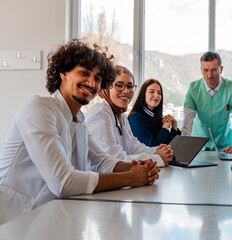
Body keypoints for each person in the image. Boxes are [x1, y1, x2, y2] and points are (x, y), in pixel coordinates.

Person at [0, 40, 160, 224]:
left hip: (49, 217)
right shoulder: (39, 109)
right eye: (84, 73)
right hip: (14, 219)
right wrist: (131, 177)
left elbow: (102, 162)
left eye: (98, 78)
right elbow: (63, 182)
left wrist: (138, 167)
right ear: (64, 73)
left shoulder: (78, 120)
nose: (91, 82)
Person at [85, 66, 173, 167]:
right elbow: (115, 160)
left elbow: (134, 148)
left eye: (129, 86)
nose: (126, 91)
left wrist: (158, 150)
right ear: (107, 87)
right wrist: (158, 158)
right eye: (119, 85)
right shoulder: (101, 113)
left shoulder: (121, 116)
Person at [182, 51, 232, 151]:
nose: (209, 75)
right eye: (205, 70)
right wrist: (184, 144)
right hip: (199, 145)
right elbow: (188, 118)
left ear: (221, 69)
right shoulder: (193, 88)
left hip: (225, 145)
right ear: (201, 70)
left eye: (214, 70)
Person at [128, 79, 181, 147]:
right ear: (143, 94)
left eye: (159, 93)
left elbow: (172, 145)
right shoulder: (136, 118)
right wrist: (165, 127)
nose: (156, 95)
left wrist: (174, 126)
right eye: (152, 92)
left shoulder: (156, 117)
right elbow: (152, 146)